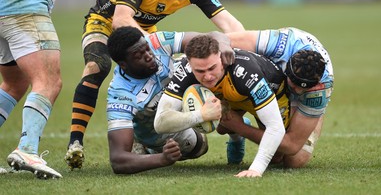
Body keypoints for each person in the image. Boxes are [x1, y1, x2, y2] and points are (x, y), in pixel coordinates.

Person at [65, 0, 245, 170]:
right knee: (98, 66)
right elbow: (121, 19)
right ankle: (75, 142)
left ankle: (147, 134)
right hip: (105, 22)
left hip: (144, 31)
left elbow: (230, 25)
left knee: (193, 75)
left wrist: (240, 53)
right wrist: (155, 48)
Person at [0, 0, 140, 179]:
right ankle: (27, 149)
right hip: (24, 5)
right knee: (48, 81)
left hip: (5, 3)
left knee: (14, 83)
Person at [154, 35, 289, 178]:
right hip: (230, 93)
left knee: (282, 157)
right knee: (221, 126)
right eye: (200, 71)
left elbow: (275, 127)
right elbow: (160, 123)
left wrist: (256, 169)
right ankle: (235, 137)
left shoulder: (246, 72)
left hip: (272, 93)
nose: (207, 76)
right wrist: (202, 115)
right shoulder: (183, 70)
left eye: (212, 68)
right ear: (189, 63)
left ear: (221, 58)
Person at [105, 26, 234, 174]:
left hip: (184, 98)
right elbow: (117, 160)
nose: (149, 56)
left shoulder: (156, 41)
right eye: (138, 56)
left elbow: (211, 37)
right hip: (160, 130)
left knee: (206, 66)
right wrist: (162, 159)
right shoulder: (121, 94)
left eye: (147, 49)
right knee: (199, 146)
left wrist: (222, 45)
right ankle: (147, 147)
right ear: (123, 64)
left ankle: (236, 136)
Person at [221, 27, 333, 168]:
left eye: (304, 87)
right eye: (295, 83)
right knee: (222, 127)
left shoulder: (320, 88)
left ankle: (315, 115)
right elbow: (221, 40)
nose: (297, 90)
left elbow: (292, 145)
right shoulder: (278, 44)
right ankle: (237, 133)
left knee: (293, 160)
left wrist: (240, 127)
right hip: (269, 79)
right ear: (286, 68)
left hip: (302, 94)